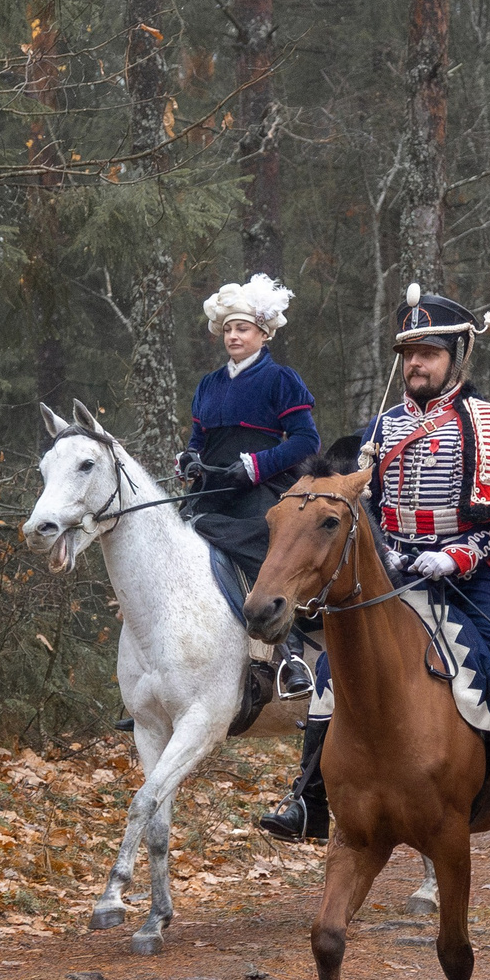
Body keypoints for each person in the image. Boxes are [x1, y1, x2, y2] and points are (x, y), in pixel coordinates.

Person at [259, 284, 490, 842]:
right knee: (330, 671)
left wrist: (456, 556)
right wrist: (387, 552)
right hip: (397, 573)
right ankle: (308, 796)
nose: (416, 364)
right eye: (409, 353)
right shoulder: (382, 429)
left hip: (469, 573)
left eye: (428, 353)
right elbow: (363, 508)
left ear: (456, 357)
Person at [181, 274, 321, 712]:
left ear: (262, 332)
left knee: (268, 556)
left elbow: (306, 442)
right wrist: (187, 459)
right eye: (228, 329)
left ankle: (291, 655)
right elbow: (197, 440)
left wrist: (256, 466)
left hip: (262, 490)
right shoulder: (208, 384)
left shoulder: (282, 379)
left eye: (242, 328)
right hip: (210, 491)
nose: (233, 336)